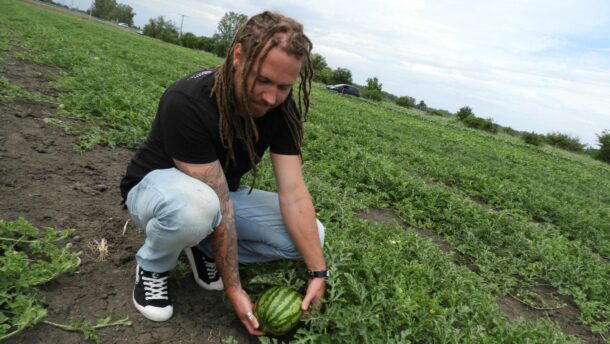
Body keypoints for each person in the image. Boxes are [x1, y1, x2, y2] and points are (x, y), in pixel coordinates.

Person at [119, 11, 327, 336]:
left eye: (284, 86)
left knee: (311, 235)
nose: (271, 97)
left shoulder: (282, 110)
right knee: (197, 209)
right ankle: (153, 266)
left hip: (215, 197)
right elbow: (218, 203)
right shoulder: (188, 102)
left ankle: (200, 247)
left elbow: (294, 193)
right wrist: (235, 288)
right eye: (262, 80)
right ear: (238, 56)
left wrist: (318, 272)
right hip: (156, 190)